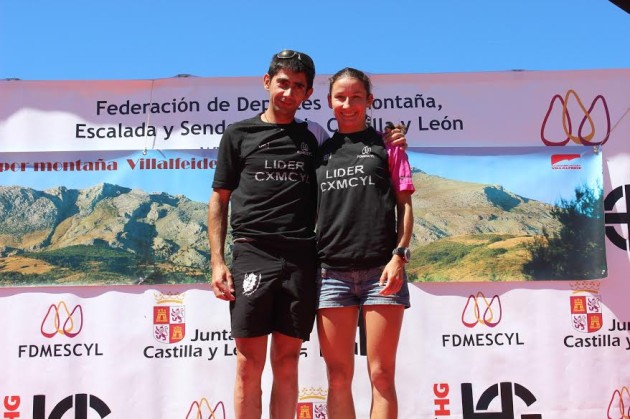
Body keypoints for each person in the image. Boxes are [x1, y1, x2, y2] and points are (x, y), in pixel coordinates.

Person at [208, 51, 406, 419]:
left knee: (286, 362)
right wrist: (218, 261)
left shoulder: (313, 137)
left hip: (302, 258)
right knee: (248, 365)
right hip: (252, 254)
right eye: (283, 83)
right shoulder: (237, 134)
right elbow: (219, 199)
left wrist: (392, 138)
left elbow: (355, 146)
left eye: (298, 87)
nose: (288, 92)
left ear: (309, 93)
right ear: (267, 82)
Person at [315, 67, 415, 419]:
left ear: (369, 101)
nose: (348, 104)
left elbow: (405, 207)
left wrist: (399, 256)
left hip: (381, 273)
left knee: (381, 374)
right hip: (331, 275)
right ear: (329, 102)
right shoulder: (319, 153)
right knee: (338, 378)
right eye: (340, 97)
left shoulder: (388, 146)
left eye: (356, 96)